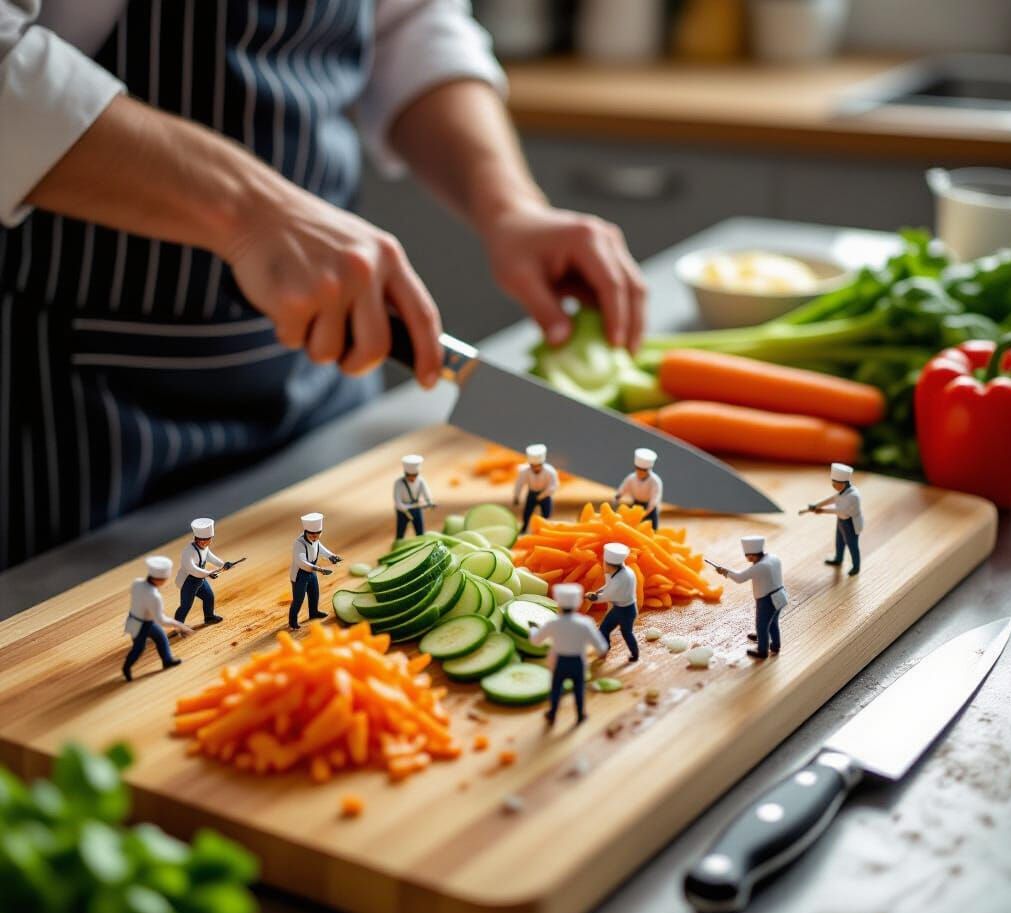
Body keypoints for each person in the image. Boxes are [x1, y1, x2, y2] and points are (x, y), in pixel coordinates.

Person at [0, 1, 646, 572]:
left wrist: (509, 205)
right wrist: (246, 209)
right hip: (65, 420)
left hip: (323, 379)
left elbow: (408, 20)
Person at [530, 582, 608, 727]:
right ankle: (580, 715)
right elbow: (600, 645)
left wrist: (533, 629)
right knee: (579, 689)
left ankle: (552, 714)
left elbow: (536, 640)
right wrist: (602, 652)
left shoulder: (553, 622)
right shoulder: (585, 623)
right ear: (578, 603)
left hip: (560, 661)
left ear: (559, 603)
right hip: (578, 662)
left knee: (556, 689)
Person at [713, 536, 788, 659]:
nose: (747, 558)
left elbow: (740, 578)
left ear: (752, 556)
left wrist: (724, 571)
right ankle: (775, 645)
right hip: (780, 594)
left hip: (767, 599)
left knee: (762, 624)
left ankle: (762, 651)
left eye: (747, 556)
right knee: (773, 623)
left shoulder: (760, 566)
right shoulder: (773, 558)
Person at [123, 554, 191, 681]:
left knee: (161, 637)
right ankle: (126, 668)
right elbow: (161, 620)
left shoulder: (137, 583)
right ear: (159, 579)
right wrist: (180, 625)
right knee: (139, 648)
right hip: (142, 624)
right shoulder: (154, 596)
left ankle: (167, 660)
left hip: (134, 619)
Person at [805, 462, 864, 576]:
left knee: (852, 545)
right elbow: (832, 499)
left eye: (835, 483)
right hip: (841, 521)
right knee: (839, 542)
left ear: (844, 483)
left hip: (850, 523)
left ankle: (856, 566)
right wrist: (817, 505)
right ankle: (838, 558)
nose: (833, 485)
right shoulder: (842, 492)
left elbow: (841, 510)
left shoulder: (853, 495)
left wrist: (822, 510)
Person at [173, 516, 234, 626]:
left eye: (209, 539)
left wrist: (223, 564)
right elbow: (192, 569)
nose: (207, 542)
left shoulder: (205, 548)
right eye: (205, 540)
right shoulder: (188, 551)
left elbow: (211, 557)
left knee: (209, 596)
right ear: (198, 539)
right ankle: (178, 626)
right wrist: (208, 573)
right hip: (188, 581)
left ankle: (209, 617)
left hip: (199, 579)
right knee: (186, 605)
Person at [587, 541, 639, 662]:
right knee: (604, 628)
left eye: (604, 563)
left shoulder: (621, 578)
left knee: (626, 633)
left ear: (611, 565)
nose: (603, 565)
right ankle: (605, 649)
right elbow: (607, 587)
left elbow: (608, 595)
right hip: (619, 608)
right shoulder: (617, 573)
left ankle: (635, 654)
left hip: (627, 611)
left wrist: (593, 598)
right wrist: (596, 592)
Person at [289, 512, 341, 630]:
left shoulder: (316, 540)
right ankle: (292, 621)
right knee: (299, 599)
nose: (314, 537)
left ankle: (314, 612)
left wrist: (332, 556)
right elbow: (301, 562)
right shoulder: (299, 543)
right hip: (300, 575)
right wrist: (320, 569)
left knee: (314, 593)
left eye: (317, 534)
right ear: (306, 532)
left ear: (320, 533)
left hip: (312, 571)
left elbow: (321, 549)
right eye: (311, 534)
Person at [614, 447, 663, 529]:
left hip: (649, 508)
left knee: (652, 528)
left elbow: (655, 498)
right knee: (630, 526)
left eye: (643, 470)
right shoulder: (631, 478)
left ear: (649, 470)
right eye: (638, 469)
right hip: (636, 505)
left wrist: (646, 512)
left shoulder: (655, 481)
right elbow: (623, 488)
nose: (640, 472)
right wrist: (618, 496)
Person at [514, 443, 558, 533]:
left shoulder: (550, 472)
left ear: (542, 464)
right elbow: (519, 484)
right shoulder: (524, 472)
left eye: (538, 466)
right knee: (527, 513)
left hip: (545, 494)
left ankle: (543, 530)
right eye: (533, 466)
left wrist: (542, 495)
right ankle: (524, 528)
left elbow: (553, 486)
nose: (535, 468)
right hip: (532, 494)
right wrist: (516, 496)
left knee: (546, 513)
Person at [393, 454, 432, 540]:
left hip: (417, 509)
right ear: (406, 474)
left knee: (420, 532)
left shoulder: (421, 481)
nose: (413, 478)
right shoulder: (398, 483)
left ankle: (422, 545)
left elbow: (427, 494)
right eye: (410, 475)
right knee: (400, 532)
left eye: (415, 475)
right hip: (403, 512)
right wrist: (408, 507)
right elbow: (398, 503)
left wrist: (428, 502)